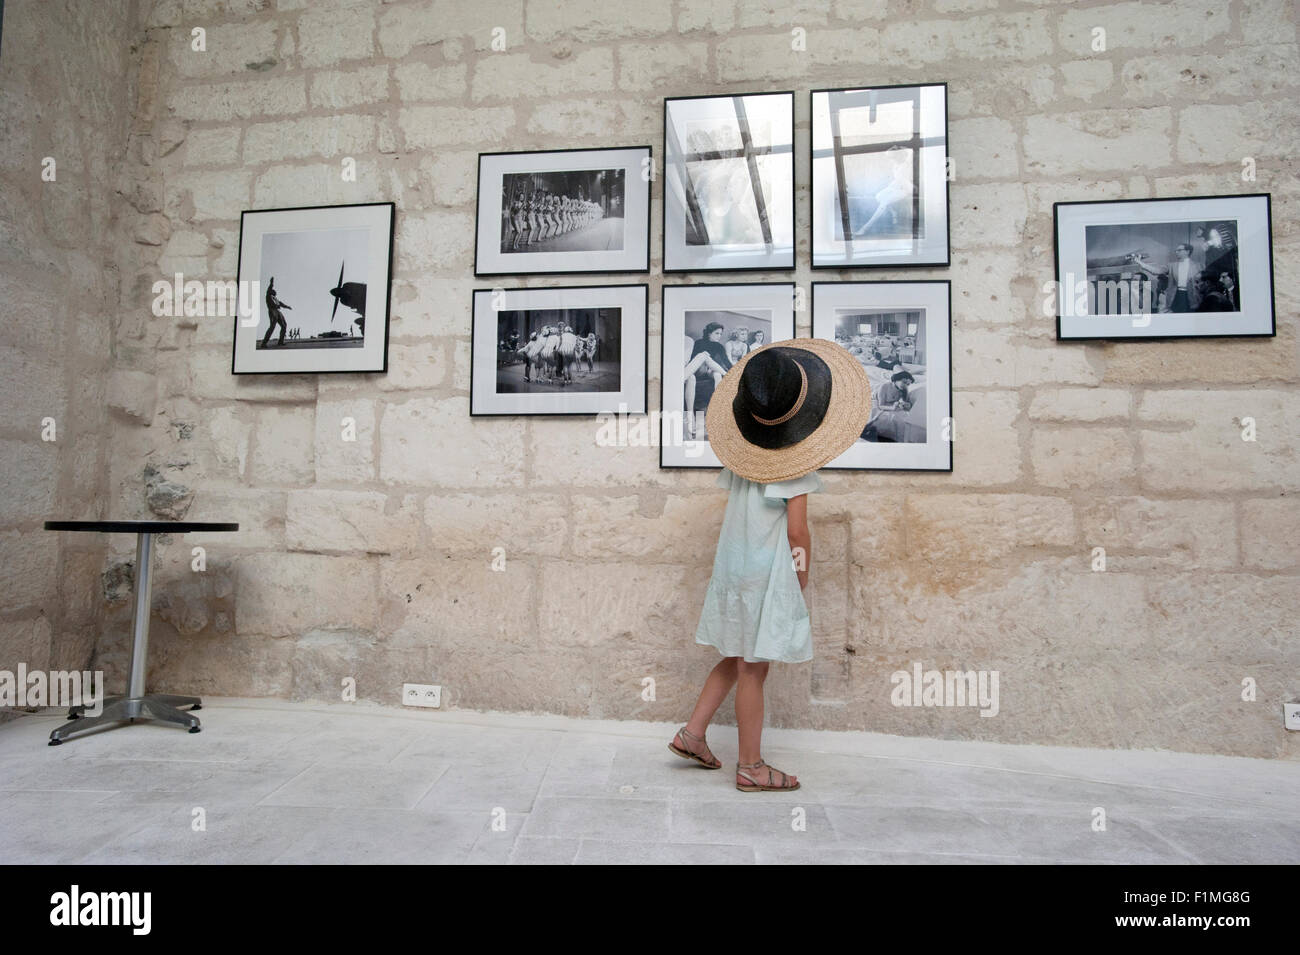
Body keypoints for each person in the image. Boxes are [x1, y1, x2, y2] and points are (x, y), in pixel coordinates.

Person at [668, 340, 871, 792]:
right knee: (753, 668)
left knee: (737, 652)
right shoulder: (794, 465)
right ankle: (751, 766)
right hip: (765, 573)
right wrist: (800, 577)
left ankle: (693, 734)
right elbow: (797, 532)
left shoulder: (746, 460)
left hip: (735, 567)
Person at [261, 277, 291, 348]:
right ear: (271, 291)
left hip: (278, 311)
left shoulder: (275, 298)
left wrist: (287, 307)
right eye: (274, 291)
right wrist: (271, 282)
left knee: (284, 325)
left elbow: (281, 303)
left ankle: (280, 341)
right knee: (272, 326)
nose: (275, 292)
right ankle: (264, 343)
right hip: (272, 311)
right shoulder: (268, 295)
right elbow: (270, 288)